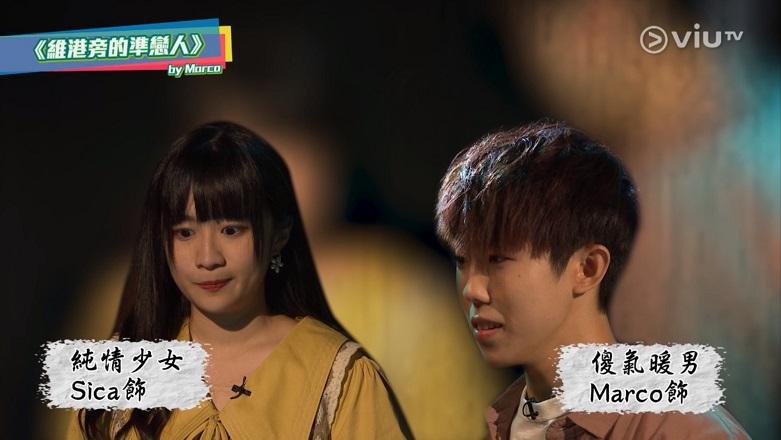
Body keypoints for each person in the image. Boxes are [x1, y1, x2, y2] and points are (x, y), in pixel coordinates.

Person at [66, 121, 412, 439]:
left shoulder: (337, 374)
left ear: (279, 235)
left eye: (231, 230)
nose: (208, 258)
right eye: (185, 232)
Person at [434, 120, 750, 439]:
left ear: (587, 268)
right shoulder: (503, 422)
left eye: (497, 260)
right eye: (462, 261)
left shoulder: (680, 429)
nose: (472, 289)